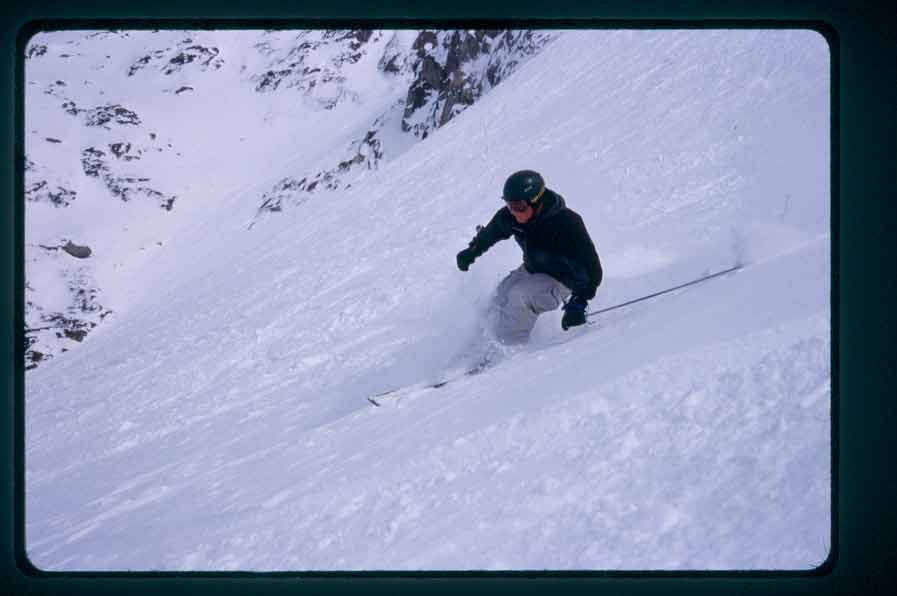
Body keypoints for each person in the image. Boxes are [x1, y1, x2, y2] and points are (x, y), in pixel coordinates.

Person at [456, 170, 603, 345]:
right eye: (509, 206)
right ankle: (477, 347)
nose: (514, 212)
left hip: (561, 279)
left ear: (537, 201)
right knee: (500, 296)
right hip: (532, 269)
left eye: (518, 207)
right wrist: (472, 251)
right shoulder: (513, 216)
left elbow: (592, 269)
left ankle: (509, 351)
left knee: (519, 297)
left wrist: (579, 302)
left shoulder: (566, 223)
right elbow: (492, 231)